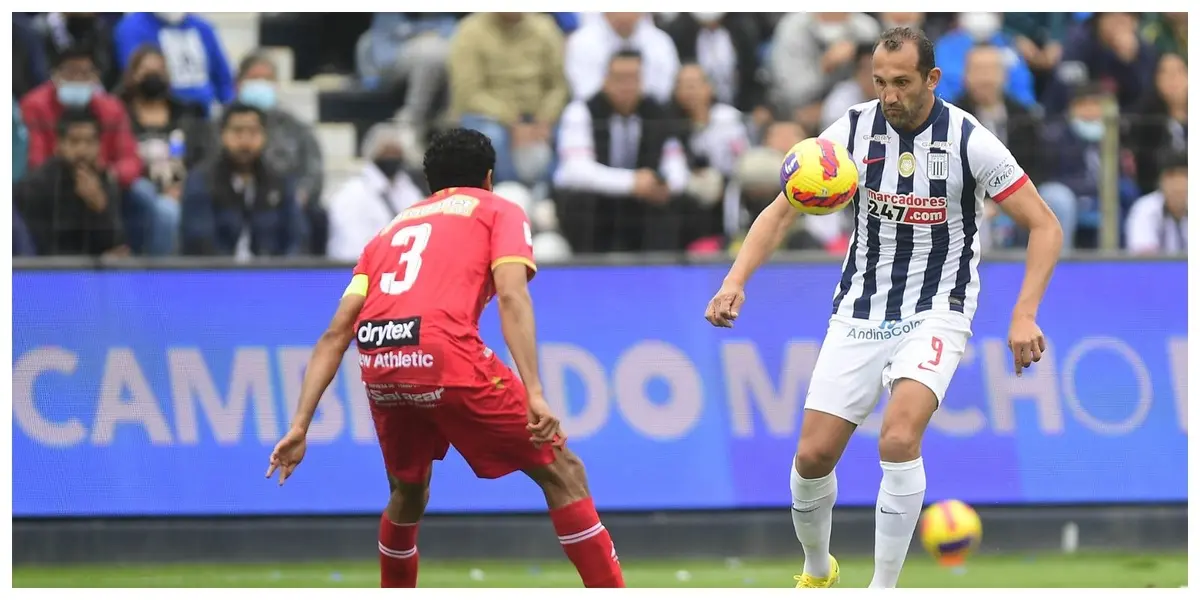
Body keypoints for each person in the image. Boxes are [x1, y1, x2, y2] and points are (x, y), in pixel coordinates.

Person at [704, 27, 1063, 589]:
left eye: (901, 83)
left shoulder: (971, 140)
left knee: (897, 439)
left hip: (937, 310)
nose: (889, 95)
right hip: (860, 310)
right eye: (880, 82)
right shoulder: (852, 128)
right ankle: (818, 570)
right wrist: (734, 281)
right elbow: (782, 210)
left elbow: (1045, 224)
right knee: (812, 458)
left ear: (932, 79)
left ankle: (883, 588)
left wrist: (1024, 312)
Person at [265, 128, 625, 589]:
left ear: (429, 182)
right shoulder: (499, 210)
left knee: (407, 493)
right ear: (490, 178)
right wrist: (533, 390)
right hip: (442, 350)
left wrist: (299, 425)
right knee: (563, 471)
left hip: (381, 354)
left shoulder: (389, 231)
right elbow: (513, 297)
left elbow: (339, 331)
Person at [180, 103, 306, 258]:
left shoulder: (279, 181)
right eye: (237, 131)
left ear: (265, 136)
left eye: (253, 132)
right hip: (216, 275)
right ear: (222, 135)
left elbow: (296, 236)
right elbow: (199, 240)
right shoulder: (201, 180)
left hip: (272, 275)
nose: (245, 141)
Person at [14, 109, 128, 257]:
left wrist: (100, 208)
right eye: (74, 142)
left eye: (90, 142)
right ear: (59, 145)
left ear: (99, 145)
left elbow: (118, 245)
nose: (82, 150)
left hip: (95, 272)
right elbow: (41, 249)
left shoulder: (105, 182)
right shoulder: (38, 185)